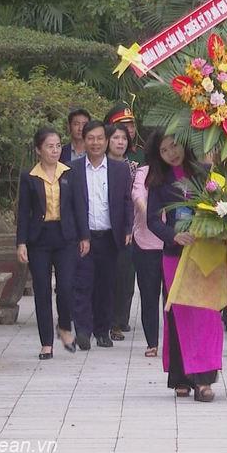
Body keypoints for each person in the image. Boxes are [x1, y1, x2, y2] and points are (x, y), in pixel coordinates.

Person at [146, 135, 221, 402]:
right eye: (163, 150)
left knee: (206, 315)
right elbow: (153, 221)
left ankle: (204, 380)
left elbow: (218, 208)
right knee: (180, 316)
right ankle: (180, 377)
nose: (171, 153)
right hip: (175, 256)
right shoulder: (158, 181)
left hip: (205, 253)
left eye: (173, 145)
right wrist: (172, 235)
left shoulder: (204, 173)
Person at [16, 127, 83, 360]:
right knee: (42, 290)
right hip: (39, 239)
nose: (54, 150)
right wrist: (21, 242)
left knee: (65, 287)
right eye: (49, 146)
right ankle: (46, 342)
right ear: (38, 150)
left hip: (66, 237)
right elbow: (23, 212)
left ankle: (64, 327)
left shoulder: (70, 173)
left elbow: (79, 207)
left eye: (57, 146)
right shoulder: (29, 177)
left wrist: (84, 236)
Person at [68, 120, 133, 350]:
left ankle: (102, 331)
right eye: (90, 138)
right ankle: (83, 331)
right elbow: (71, 207)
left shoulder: (119, 169)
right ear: (83, 141)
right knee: (82, 285)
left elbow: (126, 202)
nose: (95, 143)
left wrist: (127, 229)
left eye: (99, 138)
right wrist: (79, 236)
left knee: (106, 286)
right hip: (83, 239)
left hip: (110, 236)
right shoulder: (73, 170)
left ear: (106, 141)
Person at [131, 131, 165, 357]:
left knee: (172, 299)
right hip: (145, 243)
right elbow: (138, 198)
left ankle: (173, 341)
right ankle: (152, 341)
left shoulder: (179, 175)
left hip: (173, 243)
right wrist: (154, 215)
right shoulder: (142, 173)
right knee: (149, 295)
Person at [106, 123, 138, 342]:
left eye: (124, 138)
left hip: (129, 227)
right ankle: (104, 320)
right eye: (116, 138)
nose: (120, 142)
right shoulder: (99, 165)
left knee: (125, 277)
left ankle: (118, 321)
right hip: (102, 227)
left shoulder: (134, 167)